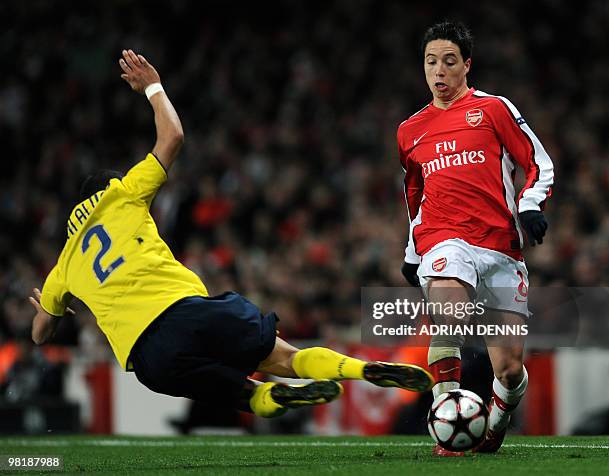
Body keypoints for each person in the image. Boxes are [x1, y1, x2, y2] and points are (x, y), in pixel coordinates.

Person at [28, 49, 433, 421]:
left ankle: (267, 398)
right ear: (108, 186)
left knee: (242, 394)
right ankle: (360, 369)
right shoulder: (122, 194)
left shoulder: (64, 264)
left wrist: (53, 309)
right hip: (187, 313)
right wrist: (153, 86)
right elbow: (173, 137)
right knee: (286, 357)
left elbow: (40, 334)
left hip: (148, 357)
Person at [397, 22, 554, 455]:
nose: (439, 71)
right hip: (446, 240)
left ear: (467, 65)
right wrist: (413, 252)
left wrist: (530, 204)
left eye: (449, 61)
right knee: (449, 314)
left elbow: (537, 161)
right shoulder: (410, 130)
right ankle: (447, 420)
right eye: (431, 62)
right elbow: (415, 195)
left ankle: (496, 424)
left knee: (508, 369)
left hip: (499, 248)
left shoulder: (493, 109)